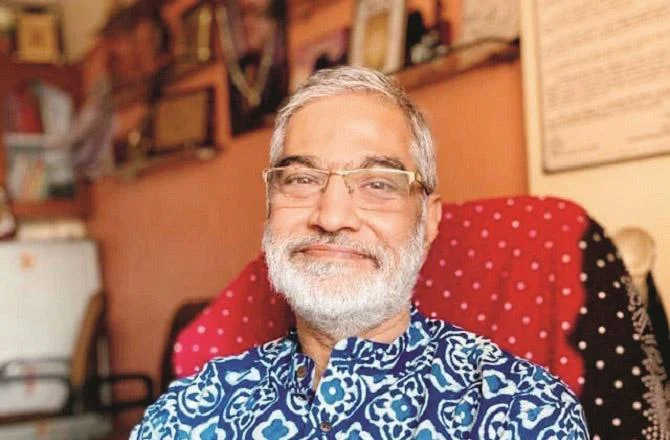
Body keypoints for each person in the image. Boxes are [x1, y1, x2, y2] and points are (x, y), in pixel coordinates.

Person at [131, 67, 589, 439]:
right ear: (270, 206)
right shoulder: (187, 417)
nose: (331, 216)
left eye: (377, 184)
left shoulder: (524, 412)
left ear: (428, 220)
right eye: (302, 179)